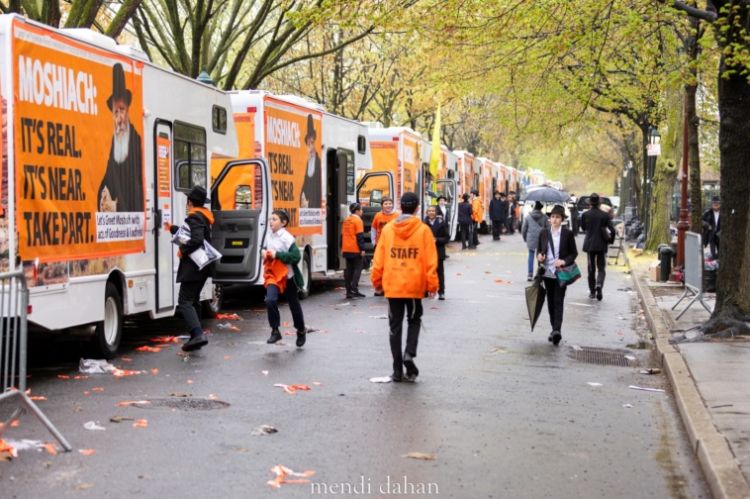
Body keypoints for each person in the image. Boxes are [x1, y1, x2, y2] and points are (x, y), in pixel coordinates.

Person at [371, 192, 438, 382]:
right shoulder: (424, 230)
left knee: (395, 326)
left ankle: (397, 369)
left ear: (400, 206)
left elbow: (379, 259)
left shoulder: (389, 230)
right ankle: (409, 352)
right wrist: (432, 285)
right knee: (414, 319)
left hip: (393, 284)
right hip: (415, 284)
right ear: (417, 208)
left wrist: (377, 282)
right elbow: (430, 261)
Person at [169, 186, 214, 352]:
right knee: (194, 300)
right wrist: (173, 229)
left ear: (190, 202)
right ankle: (197, 335)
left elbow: (196, 239)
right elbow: (191, 235)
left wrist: (183, 250)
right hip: (202, 267)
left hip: (194, 267)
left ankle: (197, 335)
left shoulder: (194, 217)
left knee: (184, 301)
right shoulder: (203, 217)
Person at [98, 63, 143, 213]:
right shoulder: (115, 143)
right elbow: (109, 177)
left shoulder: (137, 142)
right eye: (115, 113)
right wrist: (103, 195)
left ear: (128, 110)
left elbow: (139, 189)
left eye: (121, 110)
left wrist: (116, 207)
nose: (119, 118)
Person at [263, 209, 308, 347]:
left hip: (288, 276)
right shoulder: (268, 235)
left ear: (283, 223)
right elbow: (263, 248)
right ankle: (275, 331)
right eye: (271, 219)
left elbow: (296, 257)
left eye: (275, 219)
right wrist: (264, 253)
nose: (271, 221)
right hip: (273, 276)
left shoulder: (287, 238)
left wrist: (278, 255)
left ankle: (301, 330)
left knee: (294, 305)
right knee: (270, 300)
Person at [537, 205, 578, 346]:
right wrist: (540, 257)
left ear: (562, 220)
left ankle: (556, 331)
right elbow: (539, 250)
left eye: (557, 217)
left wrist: (564, 261)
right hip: (548, 273)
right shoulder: (544, 233)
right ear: (549, 219)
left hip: (561, 273)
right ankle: (553, 329)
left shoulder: (567, 234)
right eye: (552, 217)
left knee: (558, 300)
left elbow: (574, 253)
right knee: (550, 302)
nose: (554, 219)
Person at [581, 193, 616, 301]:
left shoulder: (585, 215)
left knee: (591, 268)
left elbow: (583, 228)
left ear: (590, 203)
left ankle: (592, 292)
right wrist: (610, 240)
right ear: (599, 203)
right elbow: (612, 230)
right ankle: (599, 284)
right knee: (601, 268)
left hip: (590, 245)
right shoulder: (604, 215)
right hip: (601, 244)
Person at [370, 197, 398, 295]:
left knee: (391, 267)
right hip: (380, 246)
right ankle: (379, 288)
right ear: (382, 205)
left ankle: (390, 287)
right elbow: (373, 229)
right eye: (386, 204)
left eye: (390, 203)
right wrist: (373, 242)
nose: (388, 205)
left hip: (393, 246)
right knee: (379, 267)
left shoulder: (397, 215)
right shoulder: (378, 215)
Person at [342, 202, 366, 299]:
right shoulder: (358, 221)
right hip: (355, 248)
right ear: (357, 211)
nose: (362, 211)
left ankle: (349, 291)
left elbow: (342, 235)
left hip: (346, 248)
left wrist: (341, 247)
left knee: (349, 270)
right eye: (361, 210)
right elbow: (359, 236)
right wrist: (362, 249)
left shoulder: (346, 220)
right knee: (358, 269)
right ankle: (353, 288)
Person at [424, 205, 448, 299]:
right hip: (426, 252)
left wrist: (437, 240)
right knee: (426, 272)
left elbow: (447, 238)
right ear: (427, 213)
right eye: (429, 211)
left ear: (436, 212)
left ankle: (441, 292)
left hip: (438, 251)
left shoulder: (442, 223)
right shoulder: (423, 223)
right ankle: (425, 290)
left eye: (433, 211)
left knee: (439, 273)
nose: (431, 212)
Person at [522, 201, 549, 281]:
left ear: (534, 207)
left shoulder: (528, 217)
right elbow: (548, 229)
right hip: (541, 239)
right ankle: (539, 274)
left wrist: (525, 238)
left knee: (531, 255)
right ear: (541, 208)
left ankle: (530, 274)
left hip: (531, 239)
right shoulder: (545, 217)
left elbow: (524, 229)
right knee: (540, 256)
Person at [300, 114, 322, 209]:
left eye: (312, 143)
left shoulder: (319, 161)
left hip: (316, 202)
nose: (310, 146)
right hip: (306, 202)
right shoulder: (303, 161)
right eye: (308, 143)